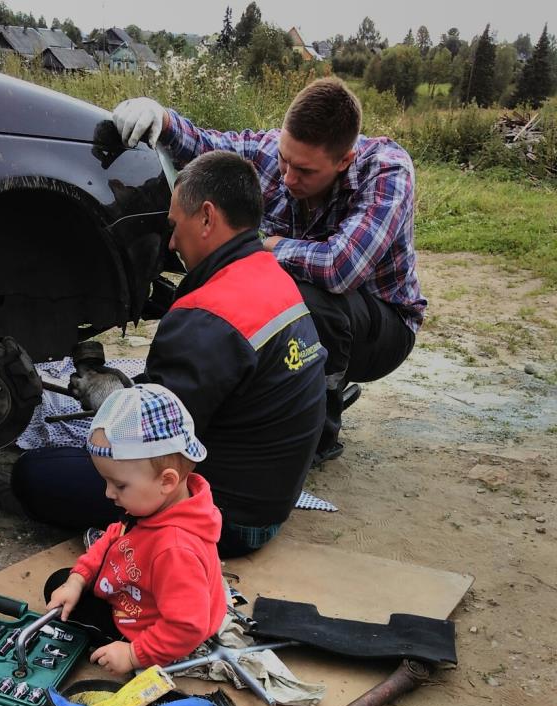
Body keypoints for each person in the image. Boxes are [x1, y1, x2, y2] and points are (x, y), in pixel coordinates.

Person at [12, 150, 326, 557]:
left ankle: (150, 539)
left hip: (228, 519)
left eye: (176, 226)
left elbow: (151, 437)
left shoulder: (208, 313)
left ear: (208, 217)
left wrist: (110, 397)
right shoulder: (272, 276)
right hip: (269, 496)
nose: (173, 242)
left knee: (35, 474)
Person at [113, 76, 427, 460]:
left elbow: (339, 268)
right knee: (274, 296)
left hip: (383, 328)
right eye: (284, 159)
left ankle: (317, 431)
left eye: (306, 172)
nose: (288, 177)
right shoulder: (278, 156)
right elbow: (212, 150)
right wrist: (162, 119)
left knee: (304, 298)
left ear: (344, 160)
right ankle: (283, 395)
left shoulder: (387, 171)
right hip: (325, 308)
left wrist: (268, 249)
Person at [44, 383, 227, 674]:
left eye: (119, 485)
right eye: (106, 481)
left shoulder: (175, 549)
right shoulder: (152, 507)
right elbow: (112, 539)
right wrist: (78, 580)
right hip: (140, 597)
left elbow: (187, 625)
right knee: (61, 583)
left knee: (71, 610)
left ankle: (132, 645)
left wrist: (134, 654)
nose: (108, 493)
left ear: (167, 481)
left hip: (156, 631)